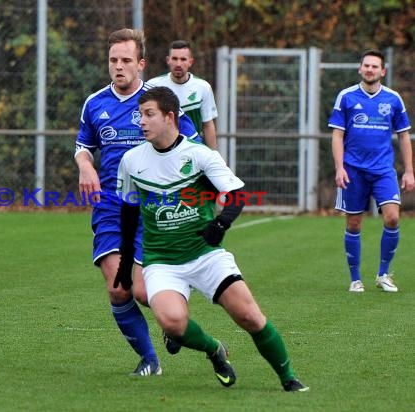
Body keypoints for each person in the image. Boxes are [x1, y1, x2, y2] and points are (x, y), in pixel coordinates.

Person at [114, 86, 309, 392]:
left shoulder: (200, 155)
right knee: (173, 324)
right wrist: (127, 263)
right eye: (140, 115)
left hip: (206, 255)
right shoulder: (131, 160)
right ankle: (214, 350)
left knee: (250, 316)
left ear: (170, 117)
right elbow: (128, 214)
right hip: (161, 261)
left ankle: (289, 379)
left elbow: (237, 195)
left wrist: (220, 224)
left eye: (149, 114)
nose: (142, 121)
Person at [74, 29, 199, 376]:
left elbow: (193, 146)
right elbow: (83, 146)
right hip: (112, 205)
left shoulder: (160, 101)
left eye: (126, 60)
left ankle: (173, 313)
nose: (118, 66)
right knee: (118, 288)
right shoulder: (95, 103)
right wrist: (86, 166)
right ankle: (150, 360)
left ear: (141, 64)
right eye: (113, 60)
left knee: (145, 292)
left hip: (156, 207)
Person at [329, 49, 414, 293]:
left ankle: (383, 274)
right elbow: (337, 134)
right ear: (360, 68)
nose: (370, 69)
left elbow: (404, 136)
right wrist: (340, 168)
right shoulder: (346, 97)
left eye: (375, 66)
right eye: (366, 65)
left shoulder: (393, 99)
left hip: (383, 170)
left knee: (393, 217)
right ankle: (355, 279)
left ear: (382, 71)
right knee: (354, 223)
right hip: (353, 170)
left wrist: (409, 171)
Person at [147, 40, 218, 149]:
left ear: (190, 62)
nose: (178, 64)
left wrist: (214, 156)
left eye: (183, 59)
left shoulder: (203, 87)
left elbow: (208, 125)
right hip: (161, 151)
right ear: (168, 60)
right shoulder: (153, 86)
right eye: (174, 59)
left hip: (192, 150)